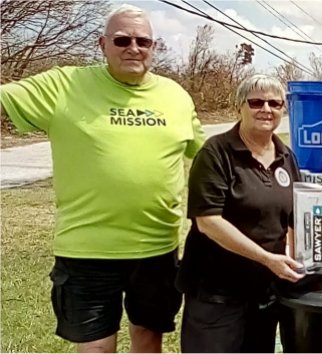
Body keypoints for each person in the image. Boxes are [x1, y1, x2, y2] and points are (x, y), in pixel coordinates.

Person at [0, 4, 204, 352]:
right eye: (122, 40)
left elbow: (208, 156)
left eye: (143, 41)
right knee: (95, 347)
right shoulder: (63, 84)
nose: (133, 48)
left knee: (148, 337)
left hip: (156, 247)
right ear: (103, 44)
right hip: (87, 250)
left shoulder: (175, 96)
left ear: (154, 47)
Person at [175, 74, 304, 352]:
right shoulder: (216, 152)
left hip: (264, 292)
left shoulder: (286, 156)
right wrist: (267, 259)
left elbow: (297, 214)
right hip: (216, 295)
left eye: (274, 103)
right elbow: (209, 222)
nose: (266, 109)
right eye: (256, 102)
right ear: (239, 107)